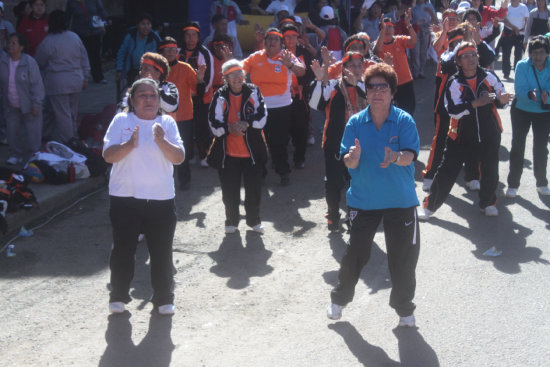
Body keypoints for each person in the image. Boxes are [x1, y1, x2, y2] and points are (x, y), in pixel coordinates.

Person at [326, 63, 420, 328]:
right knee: (355, 253)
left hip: (400, 200)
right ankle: (339, 300)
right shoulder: (355, 122)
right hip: (364, 200)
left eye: (383, 87)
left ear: (392, 91)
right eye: (372, 87)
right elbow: (348, 160)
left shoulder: (403, 120)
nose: (377, 92)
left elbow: (410, 155)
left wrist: (395, 157)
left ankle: (404, 310)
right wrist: (352, 158)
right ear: (366, 92)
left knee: (402, 259)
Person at [103, 78, 185, 316]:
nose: (148, 100)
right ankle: (118, 296)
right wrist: (129, 144)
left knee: (161, 252)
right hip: (125, 198)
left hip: (160, 199)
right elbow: (108, 155)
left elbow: (178, 157)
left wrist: (162, 141)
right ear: (132, 100)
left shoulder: (167, 123)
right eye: (142, 95)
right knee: (123, 250)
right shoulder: (121, 120)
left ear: (159, 100)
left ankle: (164, 299)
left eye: (152, 96)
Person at [419, 42, 513, 220]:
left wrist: (499, 98)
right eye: (466, 56)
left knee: (491, 171)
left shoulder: (489, 76)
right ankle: (429, 207)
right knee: (447, 171)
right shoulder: (454, 82)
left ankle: (488, 203)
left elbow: (498, 95)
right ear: (459, 61)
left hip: (489, 133)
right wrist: (476, 103)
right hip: (460, 135)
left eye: (474, 55)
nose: (471, 59)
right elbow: (453, 109)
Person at [207, 59, 268, 234]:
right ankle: (231, 221)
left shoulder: (254, 91)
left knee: (254, 190)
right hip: (228, 154)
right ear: (225, 78)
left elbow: (262, 117)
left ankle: (254, 221)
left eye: (239, 73)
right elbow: (213, 123)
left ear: (244, 75)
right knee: (229, 192)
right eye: (231, 75)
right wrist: (229, 128)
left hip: (252, 153)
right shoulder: (219, 95)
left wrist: (246, 123)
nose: (236, 78)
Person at [309, 51, 367, 231]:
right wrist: (319, 81)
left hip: (360, 143)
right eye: (351, 65)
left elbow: (378, 102)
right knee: (333, 182)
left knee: (357, 181)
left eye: (359, 65)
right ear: (343, 68)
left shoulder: (366, 86)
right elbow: (315, 104)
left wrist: (358, 83)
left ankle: (354, 216)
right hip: (335, 142)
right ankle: (333, 216)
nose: (356, 69)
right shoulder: (333, 86)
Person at [242, 27, 306, 185]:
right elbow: (239, 70)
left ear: (281, 43)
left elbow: (302, 71)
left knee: (279, 142)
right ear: (264, 42)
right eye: (269, 39)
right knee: (258, 141)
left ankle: (283, 172)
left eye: (275, 39)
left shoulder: (287, 56)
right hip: (258, 106)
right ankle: (260, 172)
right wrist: (231, 62)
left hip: (281, 107)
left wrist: (289, 65)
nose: (271, 42)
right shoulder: (256, 57)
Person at [34, 10, 90, 144]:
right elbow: (84, 59)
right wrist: (85, 77)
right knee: (71, 113)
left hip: (57, 82)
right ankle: (52, 135)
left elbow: (39, 61)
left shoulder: (49, 41)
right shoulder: (74, 37)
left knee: (62, 114)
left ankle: (70, 141)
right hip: (76, 80)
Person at [159, 37, 206, 190]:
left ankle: (184, 181)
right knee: (162, 150)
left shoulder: (185, 68)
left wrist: (200, 81)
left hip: (184, 116)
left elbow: (199, 91)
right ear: (162, 52)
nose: (171, 52)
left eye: (174, 49)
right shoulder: (157, 70)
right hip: (162, 117)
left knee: (182, 149)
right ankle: (164, 182)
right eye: (168, 49)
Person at [506, 36, 550, 197]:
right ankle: (513, 184)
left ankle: (542, 182)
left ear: (547, 53)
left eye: (542, 52)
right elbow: (519, 89)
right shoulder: (522, 65)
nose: (538, 56)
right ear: (530, 53)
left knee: (541, 148)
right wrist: (529, 95)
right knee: (518, 146)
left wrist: (547, 98)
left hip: (544, 112)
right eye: (535, 53)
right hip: (522, 110)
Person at [0, 33, 44, 165]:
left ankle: (34, 155)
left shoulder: (29, 62)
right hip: (10, 103)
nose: (10, 45)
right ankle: (15, 154)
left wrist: (36, 103)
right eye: (9, 43)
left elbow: (37, 85)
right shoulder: (2, 61)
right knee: (12, 131)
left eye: (14, 43)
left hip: (29, 102)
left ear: (21, 46)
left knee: (33, 132)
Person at [180, 21, 215, 168]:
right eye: (188, 35)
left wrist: (197, 93)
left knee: (202, 128)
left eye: (193, 35)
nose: (190, 38)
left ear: (198, 36)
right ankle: (189, 155)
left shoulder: (204, 53)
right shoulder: (178, 52)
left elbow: (209, 78)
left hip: (202, 98)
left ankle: (205, 155)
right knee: (187, 128)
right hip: (183, 99)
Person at [282, 23, 314, 169]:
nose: (290, 40)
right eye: (287, 37)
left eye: (293, 36)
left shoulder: (303, 52)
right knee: (282, 128)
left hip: (300, 96)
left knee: (301, 128)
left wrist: (303, 85)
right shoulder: (277, 52)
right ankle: (280, 160)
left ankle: (299, 158)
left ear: (298, 37)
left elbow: (311, 74)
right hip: (281, 97)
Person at [374, 13, 417, 115]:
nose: (387, 29)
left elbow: (413, 41)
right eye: (384, 27)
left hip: (405, 81)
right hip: (389, 84)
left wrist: (408, 25)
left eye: (390, 27)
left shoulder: (399, 40)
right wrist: (382, 30)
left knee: (409, 110)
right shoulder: (377, 43)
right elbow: (376, 51)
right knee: (390, 112)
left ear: (394, 29)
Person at [65, 0, 108, 84]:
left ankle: (98, 76)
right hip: (79, 32)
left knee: (95, 54)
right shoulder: (71, 2)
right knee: (80, 55)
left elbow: (101, 11)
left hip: (94, 30)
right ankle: (81, 77)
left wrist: (104, 23)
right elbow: (68, 16)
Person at [116, 13, 161, 88]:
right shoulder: (130, 36)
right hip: (131, 70)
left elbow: (160, 56)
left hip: (149, 70)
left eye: (148, 24)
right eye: (143, 24)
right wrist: (119, 69)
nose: (146, 27)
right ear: (137, 25)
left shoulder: (155, 38)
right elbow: (121, 53)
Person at [501, 0, 529, 79]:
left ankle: (517, 72)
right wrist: (514, 28)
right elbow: (505, 20)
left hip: (520, 34)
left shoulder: (523, 7)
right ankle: (506, 72)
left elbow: (527, 20)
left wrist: (524, 29)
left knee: (518, 54)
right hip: (508, 33)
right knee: (506, 53)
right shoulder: (507, 7)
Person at [410, 0, 438, 79]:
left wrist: (430, 16)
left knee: (423, 52)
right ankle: (415, 72)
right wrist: (415, 23)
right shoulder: (413, 6)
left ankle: (421, 71)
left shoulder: (429, 5)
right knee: (415, 52)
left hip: (425, 30)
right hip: (415, 31)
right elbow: (407, 20)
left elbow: (435, 20)